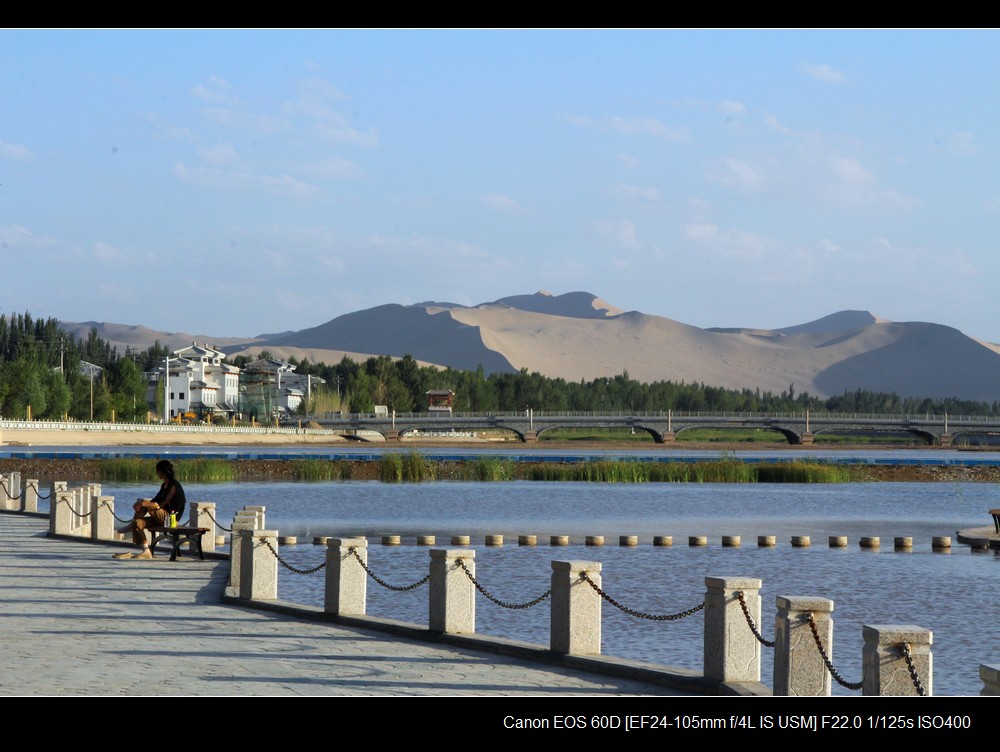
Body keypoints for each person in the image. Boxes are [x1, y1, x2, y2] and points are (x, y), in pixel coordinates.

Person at [113, 459, 187, 560]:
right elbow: (155, 500)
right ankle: (146, 551)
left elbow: (159, 504)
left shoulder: (173, 485)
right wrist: (142, 505)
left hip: (171, 519)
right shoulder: (163, 485)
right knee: (138, 523)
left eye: (157, 471)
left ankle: (130, 524)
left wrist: (143, 503)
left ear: (162, 471)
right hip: (161, 517)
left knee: (148, 505)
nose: (157, 474)